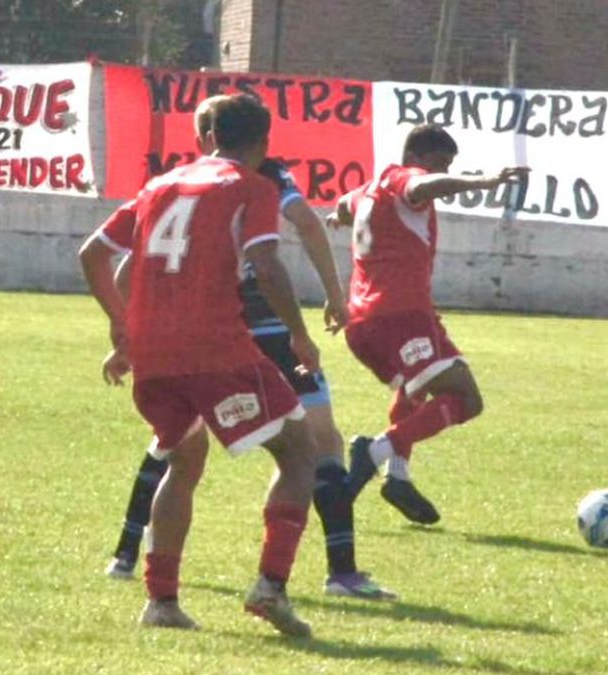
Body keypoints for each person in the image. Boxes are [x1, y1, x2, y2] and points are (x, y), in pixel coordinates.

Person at [100, 152, 396, 601]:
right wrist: (335, 296)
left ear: (208, 137)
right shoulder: (266, 174)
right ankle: (341, 571)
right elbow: (306, 224)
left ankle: (126, 554)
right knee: (318, 441)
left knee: (175, 442)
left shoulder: (181, 181)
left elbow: (127, 265)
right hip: (265, 327)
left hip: (189, 333)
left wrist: (129, 329)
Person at [78, 94, 318, 635]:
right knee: (300, 451)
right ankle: (271, 587)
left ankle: (161, 602)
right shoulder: (251, 187)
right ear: (262, 145)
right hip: (216, 348)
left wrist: (123, 329)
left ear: (208, 138)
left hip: (155, 354)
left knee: (185, 462)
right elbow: (266, 262)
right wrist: (300, 335)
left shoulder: (159, 186)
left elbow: (94, 255)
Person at [328, 123, 528, 524]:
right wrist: (482, 180)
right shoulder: (407, 179)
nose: (443, 169)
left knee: (412, 392)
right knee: (466, 400)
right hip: (400, 316)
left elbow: (343, 210)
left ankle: (397, 477)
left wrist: (336, 218)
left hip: (366, 321)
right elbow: (423, 186)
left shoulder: (367, 190)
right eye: (440, 162)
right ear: (417, 158)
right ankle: (377, 451)